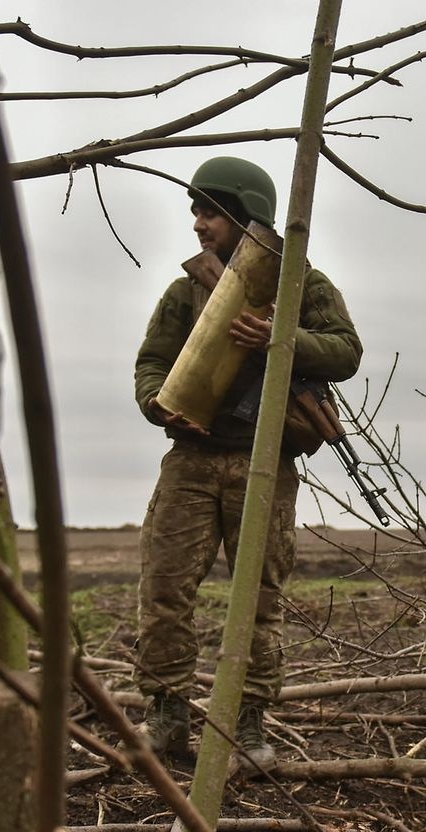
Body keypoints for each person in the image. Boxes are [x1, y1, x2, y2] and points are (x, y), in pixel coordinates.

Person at [132, 156, 362, 767]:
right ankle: (166, 715)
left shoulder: (301, 286)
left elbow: (345, 351)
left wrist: (280, 337)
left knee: (257, 597)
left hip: (265, 461)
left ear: (242, 214)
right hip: (192, 460)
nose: (199, 225)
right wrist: (158, 406)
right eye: (196, 212)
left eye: (209, 212)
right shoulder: (187, 291)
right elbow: (151, 363)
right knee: (163, 589)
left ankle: (250, 726)